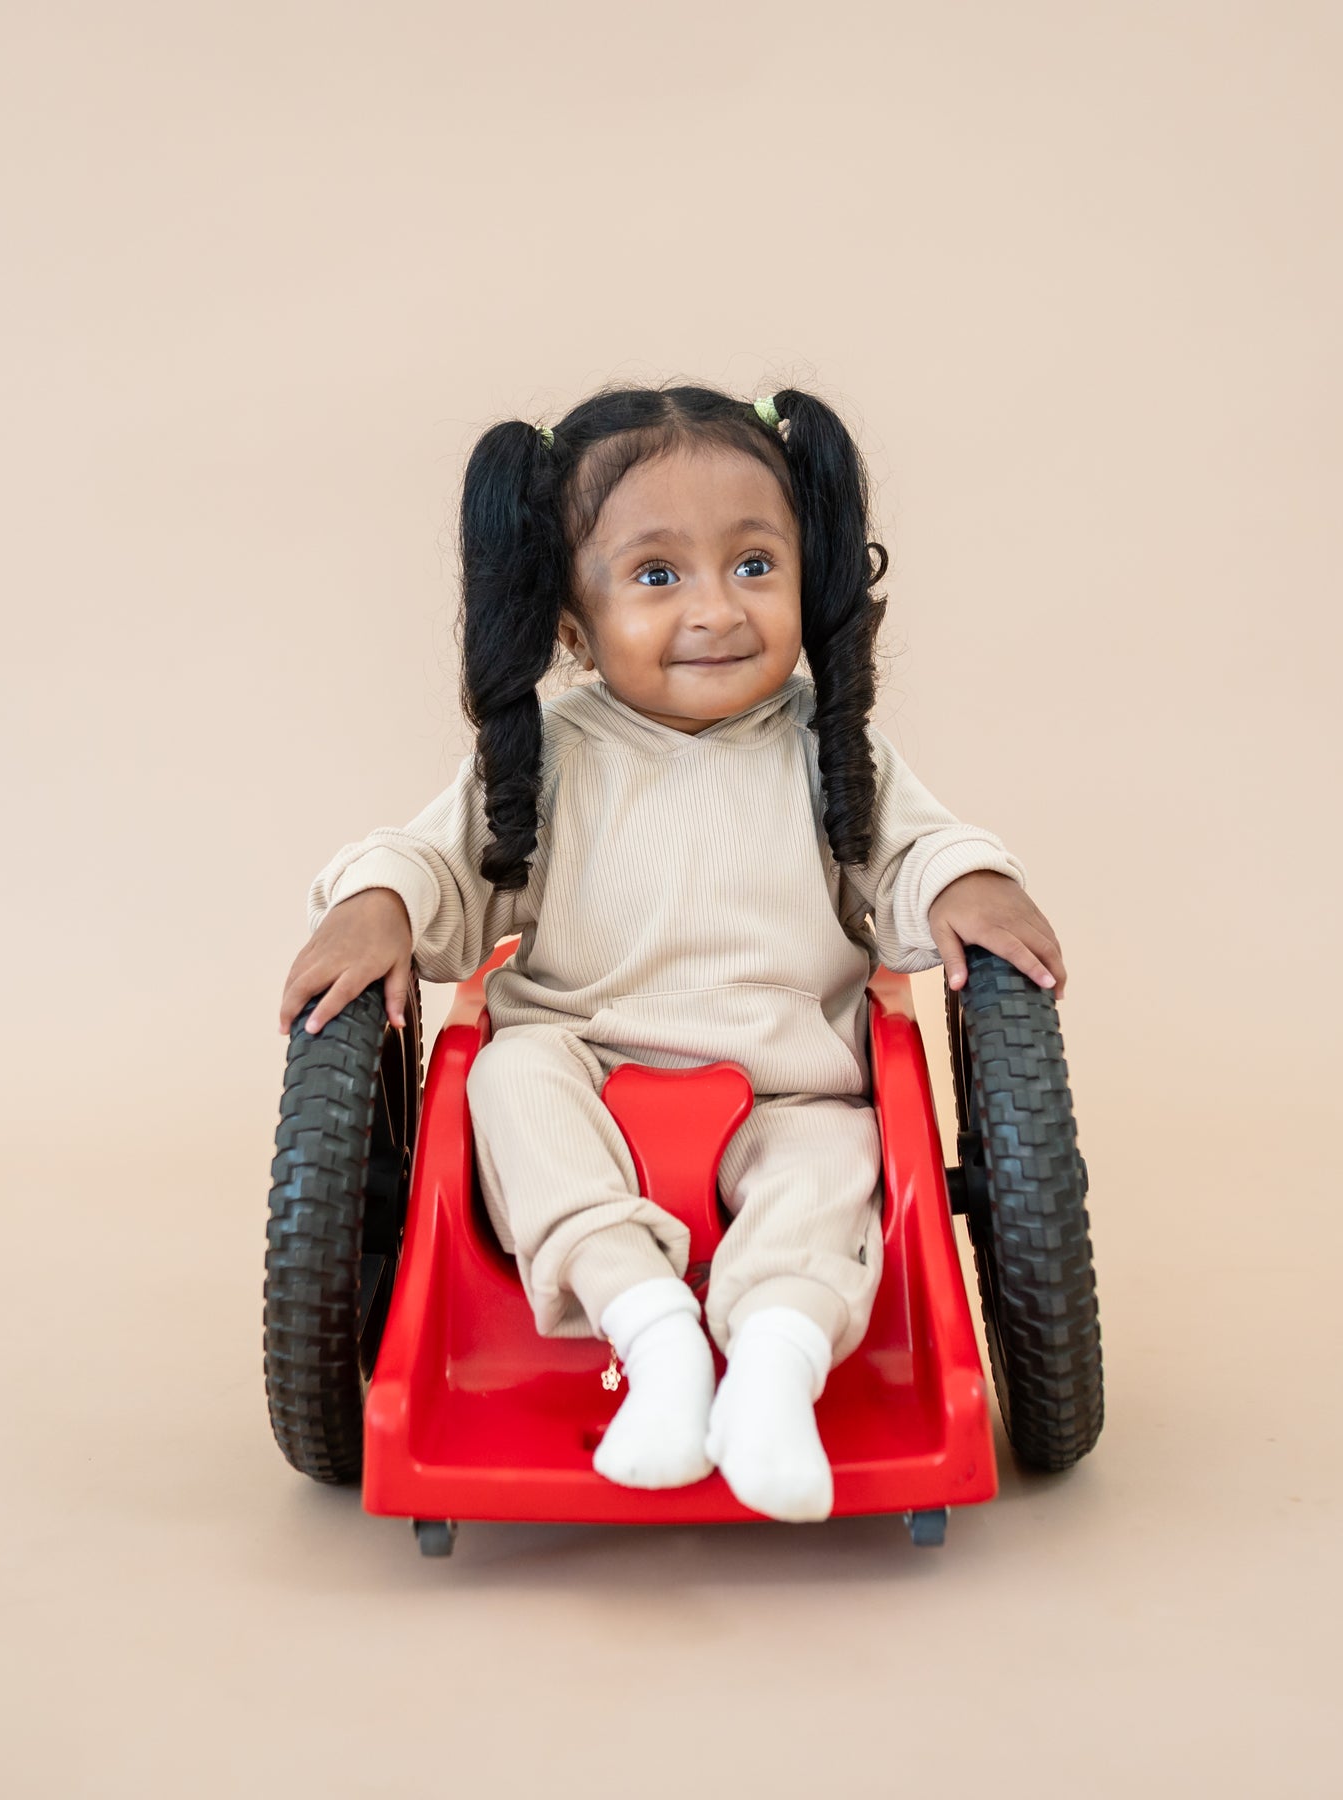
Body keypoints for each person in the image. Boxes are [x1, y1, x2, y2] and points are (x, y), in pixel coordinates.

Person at [277, 383, 1067, 1523]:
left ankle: (777, 1367)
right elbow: (433, 863)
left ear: (807, 571)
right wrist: (376, 906)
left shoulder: (828, 750)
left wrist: (968, 879)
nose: (717, 611)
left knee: (841, 1159)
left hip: (788, 1082)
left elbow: (916, 854)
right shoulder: (544, 756)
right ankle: (652, 1334)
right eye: (657, 577)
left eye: (755, 565)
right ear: (569, 617)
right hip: (584, 1063)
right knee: (506, 1078)